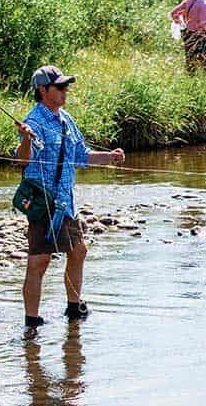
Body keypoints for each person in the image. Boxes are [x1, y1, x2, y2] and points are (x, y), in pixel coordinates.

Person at [14, 65, 125, 334]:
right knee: (39, 261)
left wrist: (109, 157)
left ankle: (73, 307)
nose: (65, 91)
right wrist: (27, 139)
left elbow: (81, 155)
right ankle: (32, 321)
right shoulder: (34, 121)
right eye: (60, 87)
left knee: (78, 251)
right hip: (43, 201)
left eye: (65, 86)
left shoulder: (66, 120)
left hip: (65, 202)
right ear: (43, 90)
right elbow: (22, 159)